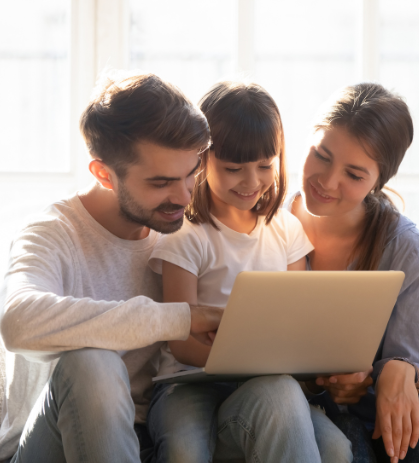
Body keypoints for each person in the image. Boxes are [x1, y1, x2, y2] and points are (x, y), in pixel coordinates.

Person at [0, 72, 223, 463]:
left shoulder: (183, 238)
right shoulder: (51, 234)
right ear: (104, 174)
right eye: (161, 182)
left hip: (148, 439)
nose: (184, 195)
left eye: (192, 173)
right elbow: (17, 321)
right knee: (93, 361)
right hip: (46, 447)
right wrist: (180, 318)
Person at [146, 81, 352, 463]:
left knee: (337, 449)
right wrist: (241, 354)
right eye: (233, 168)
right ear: (200, 161)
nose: (252, 181)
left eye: (265, 166)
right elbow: (179, 338)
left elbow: (300, 317)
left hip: (265, 381)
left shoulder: (286, 230)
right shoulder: (187, 237)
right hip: (189, 383)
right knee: (185, 451)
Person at [289, 82, 419, 463]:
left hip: (385, 415)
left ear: (378, 182)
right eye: (321, 155)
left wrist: (395, 370)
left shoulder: (407, 250)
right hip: (303, 413)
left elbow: (415, 375)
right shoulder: (265, 229)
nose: (327, 180)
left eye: (354, 175)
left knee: (404, 406)